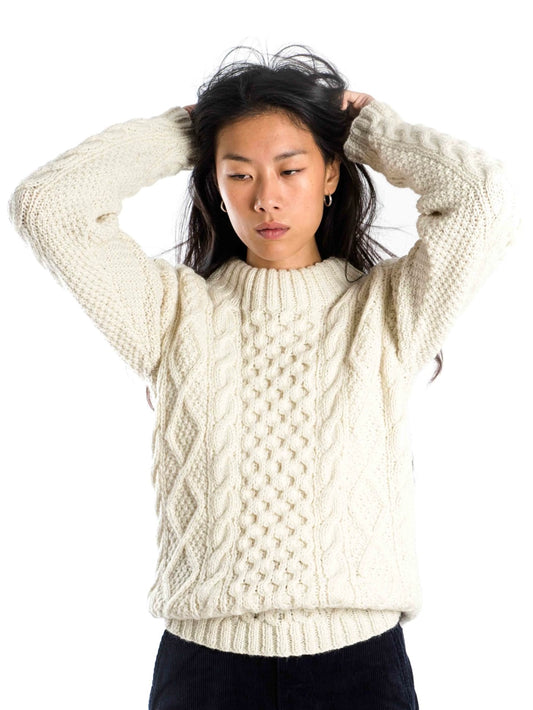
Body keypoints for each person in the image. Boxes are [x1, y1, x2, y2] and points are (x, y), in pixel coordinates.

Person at [7, 43, 520, 710]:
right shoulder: (170, 314)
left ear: (330, 172)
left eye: (290, 168)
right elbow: (46, 206)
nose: (266, 198)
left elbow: (482, 199)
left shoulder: (386, 312)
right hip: (205, 668)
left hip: (357, 665)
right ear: (215, 183)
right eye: (239, 173)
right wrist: (182, 132)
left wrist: (372, 129)